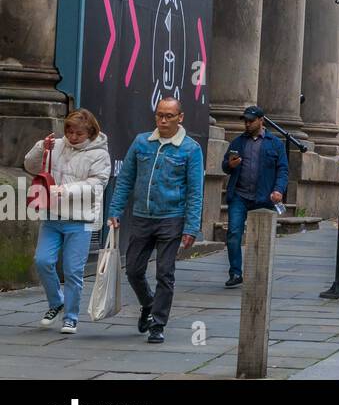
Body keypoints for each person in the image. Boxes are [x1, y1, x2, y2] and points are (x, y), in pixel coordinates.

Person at [107, 97, 204, 344]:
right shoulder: (142, 143)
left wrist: (191, 227)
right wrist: (114, 211)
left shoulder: (190, 149)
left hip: (171, 218)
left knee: (164, 273)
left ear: (180, 117)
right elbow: (125, 179)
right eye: (159, 115)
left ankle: (158, 324)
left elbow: (195, 191)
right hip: (142, 215)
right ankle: (148, 304)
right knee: (133, 270)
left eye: (168, 116)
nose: (162, 120)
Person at [24, 109, 111, 335]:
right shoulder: (58, 145)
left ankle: (71, 317)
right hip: (52, 215)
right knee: (42, 260)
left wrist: (66, 190)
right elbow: (31, 167)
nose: (72, 137)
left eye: (78, 133)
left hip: (80, 219)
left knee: (73, 271)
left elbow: (98, 183)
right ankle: (56, 303)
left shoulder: (100, 154)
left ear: (90, 132)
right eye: (69, 131)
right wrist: (40, 148)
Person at [220, 106, 288, 288]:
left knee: (261, 237)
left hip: (264, 197)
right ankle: (235, 272)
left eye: (251, 120)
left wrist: (278, 189)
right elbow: (225, 166)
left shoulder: (275, 144)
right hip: (239, 195)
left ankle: (259, 273)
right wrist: (230, 165)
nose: (247, 124)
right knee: (234, 233)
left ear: (261, 120)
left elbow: (283, 170)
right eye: (245, 121)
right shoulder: (237, 143)